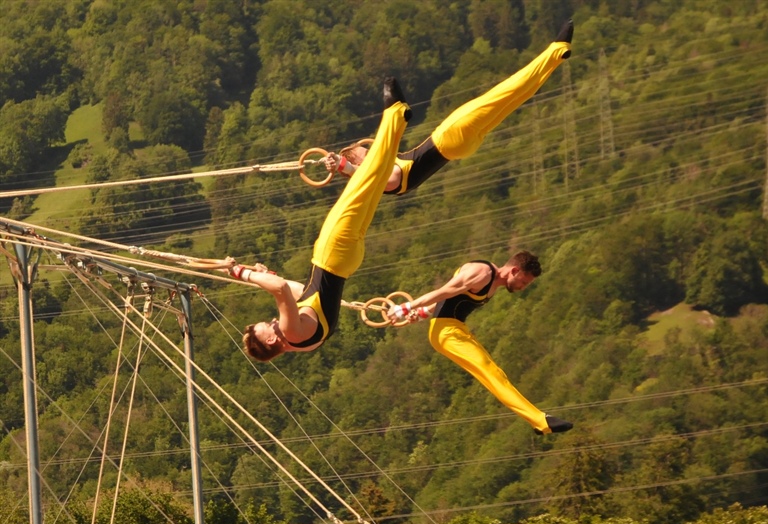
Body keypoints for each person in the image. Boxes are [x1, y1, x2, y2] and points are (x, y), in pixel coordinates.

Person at [228, 78, 412, 361]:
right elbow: (279, 292)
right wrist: (243, 274)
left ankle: (396, 122)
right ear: (269, 339)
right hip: (332, 254)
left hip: (344, 260)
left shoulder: (304, 338)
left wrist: (264, 276)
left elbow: (296, 289)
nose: (271, 321)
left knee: (371, 185)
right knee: (364, 182)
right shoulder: (291, 333)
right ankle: (395, 115)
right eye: (266, 326)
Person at [324, 20, 573, 195]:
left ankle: (556, 56)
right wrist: (346, 167)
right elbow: (381, 179)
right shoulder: (382, 181)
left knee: (512, 97)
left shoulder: (384, 169)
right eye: (363, 153)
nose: (369, 152)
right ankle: (555, 51)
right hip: (449, 138)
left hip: (460, 145)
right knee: (504, 93)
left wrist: (346, 164)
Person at [387, 252, 573, 435]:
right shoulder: (481, 273)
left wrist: (421, 313)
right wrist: (407, 307)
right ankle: (541, 421)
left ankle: (539, 420)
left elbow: (448, 299)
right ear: (514, 270)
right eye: (523, 282)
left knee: (495, 373)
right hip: (446, 333)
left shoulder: (492, 283)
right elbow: (445, 291)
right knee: (490, 373)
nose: (523, 287)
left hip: (457, 330)